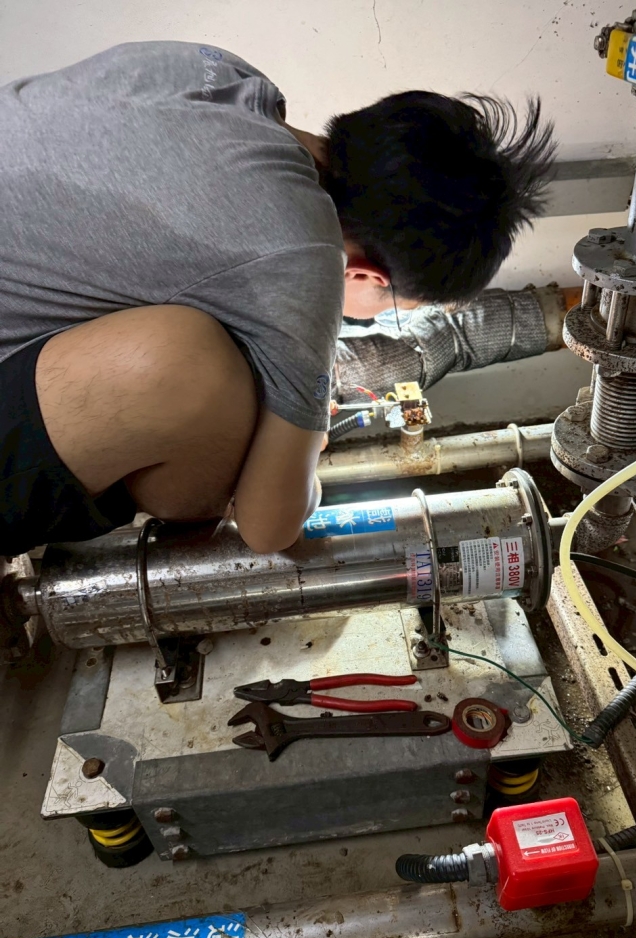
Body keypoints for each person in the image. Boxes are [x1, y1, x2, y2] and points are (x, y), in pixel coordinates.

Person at [0, 41, 554, 559]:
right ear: (364, 274)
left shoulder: (221, 74)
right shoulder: (304, 255)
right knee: (196, 381)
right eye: (395, 309)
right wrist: (300, 462)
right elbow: (268, 527)